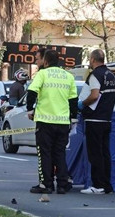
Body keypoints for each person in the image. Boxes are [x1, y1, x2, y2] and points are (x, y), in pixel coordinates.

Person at [26, 49, 78, 194]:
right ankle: (62, 184)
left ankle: (46, 184)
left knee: (45, 153)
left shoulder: (42, 74)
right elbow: (73, 99)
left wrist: (30, 110)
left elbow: (32, 92)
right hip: (62, 122)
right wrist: (73, 117)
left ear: (46, 61)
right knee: (60, 153)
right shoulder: (68, 76)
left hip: (45, 121)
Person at [79, 49, 115, 195]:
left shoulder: (95, 75)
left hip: (94, 118)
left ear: (92, 60)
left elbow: (94, 95)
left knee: (95, 153)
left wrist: (83, 104)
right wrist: (109, 98)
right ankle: (106, 185)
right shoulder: (110, 74)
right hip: (106, 119)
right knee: (105, 153)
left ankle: (97, 185)